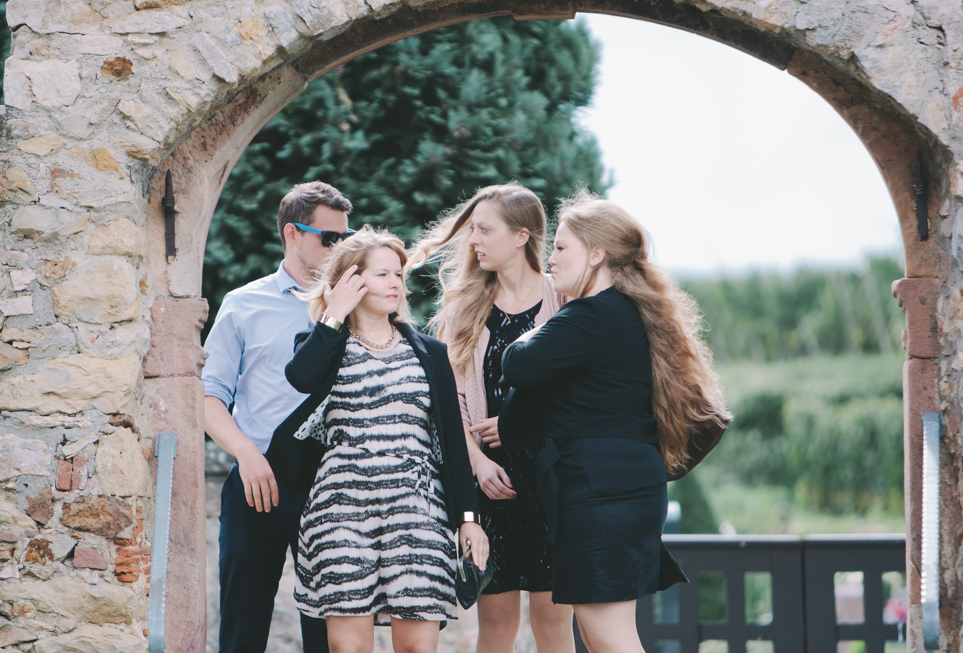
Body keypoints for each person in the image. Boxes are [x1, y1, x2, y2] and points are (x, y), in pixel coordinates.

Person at [498, 192, 730, 653]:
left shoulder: (589, 316)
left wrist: (531, 328)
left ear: (596, 254)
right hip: (623, 489)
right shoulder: (626, 313)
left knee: (610, 637)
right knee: (606, 635)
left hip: (598, 494)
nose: (551, 258)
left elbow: (518, 364)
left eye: (562, 248)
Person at [281, 227, 489, 653]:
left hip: (418, 509)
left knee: (417, 646)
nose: (396, 283)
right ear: (351, 282)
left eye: (399, 274)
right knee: (348, 648)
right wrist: (333, 314)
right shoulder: (322, 344)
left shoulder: (429, 353)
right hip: (340, 509)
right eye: (382, 275)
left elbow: (451, 440)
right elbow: (300, 378)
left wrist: (468, 517)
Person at [409, 185, 574, 653]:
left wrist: (524, 430)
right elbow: (449, 403)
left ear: (522, 235)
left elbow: (576, 393)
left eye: (486, 229)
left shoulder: (564, 301)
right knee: (497, 625)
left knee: (553, 624)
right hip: (489, 488)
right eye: (473, 229)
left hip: (551, 481)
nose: (474, 240)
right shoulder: (465, 305)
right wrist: (477, 464)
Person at [202, 181, 355, 653]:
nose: (340, 248)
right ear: (293, 233)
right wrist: (245, 453)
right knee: (241, 632)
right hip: (258, 478)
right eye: (329, 239)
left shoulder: (360, 306)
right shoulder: (243, 304)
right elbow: (207, 397)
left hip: (337, 485)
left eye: (345, 238)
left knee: (330, 637)